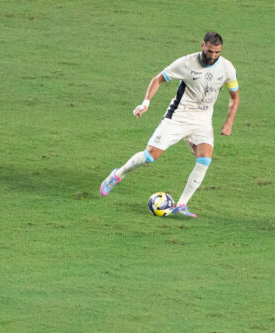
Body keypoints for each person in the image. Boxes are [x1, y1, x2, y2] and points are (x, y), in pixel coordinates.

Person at [99, 32, 240, 217]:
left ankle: (181, 205)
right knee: (150, 156)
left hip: (202, 122)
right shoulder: (186, 63)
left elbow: (234, 97)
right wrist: (145, 103)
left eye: (217, 52)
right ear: (202, 46)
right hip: (178, 117)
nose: (213, 56)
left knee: (205, 159)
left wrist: (229, 122)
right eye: (210, 51)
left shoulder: (226, 68)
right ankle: (118, 174)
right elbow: (158, 79)